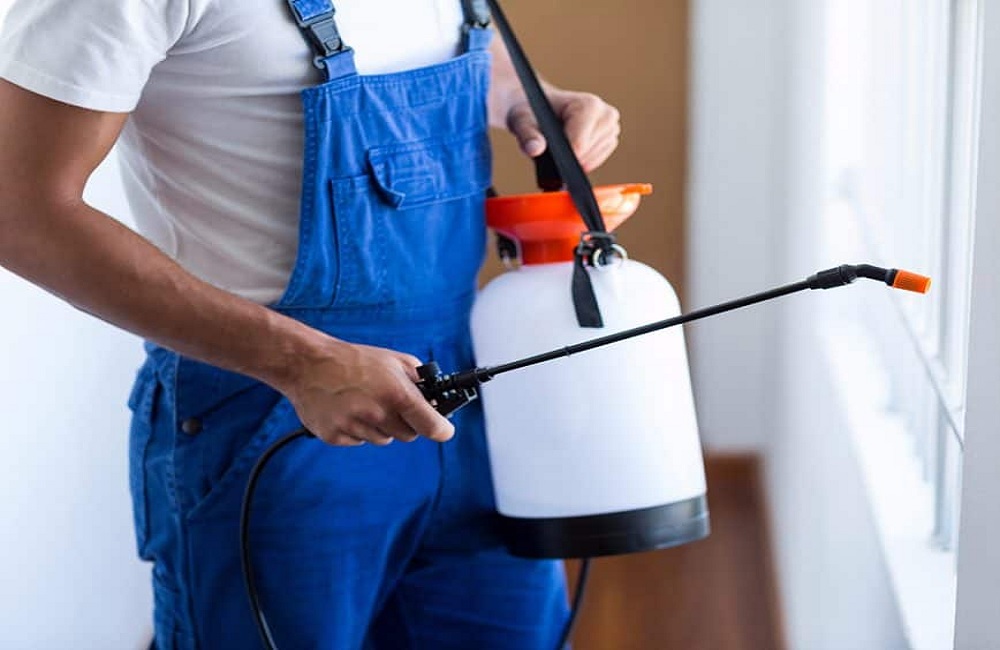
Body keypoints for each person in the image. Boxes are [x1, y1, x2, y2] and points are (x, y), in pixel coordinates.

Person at [0, 1, 621, 647]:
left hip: (471, 397)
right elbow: (19, 212)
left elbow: (452, 48)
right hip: (271, 414)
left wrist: (528, 100)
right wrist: (301, 362)